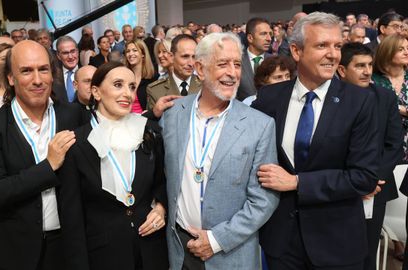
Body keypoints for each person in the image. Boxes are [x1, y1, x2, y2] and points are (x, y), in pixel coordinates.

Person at [252, 12, 379, 270]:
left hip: (337, 245)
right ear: (296, 51)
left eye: (337, 46)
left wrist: (297, 182)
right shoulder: (269, 98)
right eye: (322, 45)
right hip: (281, 244)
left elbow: (363, 176)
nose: (333, 54)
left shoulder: (360, 102)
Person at [161, 32, 279, 270]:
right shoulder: (173, 115)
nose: (233, 73)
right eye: (222, 64)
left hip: (230, 254)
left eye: (236, 64)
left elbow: (264, 200)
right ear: (200, 69)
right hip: (179, 251)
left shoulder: (260, 125)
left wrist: (215, 240)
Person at [0, 40, 81, 270]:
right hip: (18, 252)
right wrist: (48, 166)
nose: (38, 80)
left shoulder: (73, 115)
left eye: (43, 69)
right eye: (26, 71)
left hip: (70, 247)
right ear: (11, 78)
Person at [59, 61, 169, 270]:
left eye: (131, 86)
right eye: (118, 85)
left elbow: (162, 183)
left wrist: (161, 208)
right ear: (96, 92)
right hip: (104, 256)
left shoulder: (149, 133)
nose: (127, 93)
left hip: (151, 251)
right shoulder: (77, 144)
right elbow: (72, 219)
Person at [337, 42, 403, 270]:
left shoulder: (384, 97)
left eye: (370, 65)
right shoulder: (330, 98)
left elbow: (394, 145)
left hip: (377, 185)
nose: (367, 71)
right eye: (360, 66)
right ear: (342, 70)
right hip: (337, 185)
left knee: (367, 250)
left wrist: (371, 180)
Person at [372, 34, 408, 162]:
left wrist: (392, 108)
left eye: (407, 48)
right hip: (383, 150)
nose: (406, 52)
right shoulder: (372, 80)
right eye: (401, 49)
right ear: (387, 52)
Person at [146, 34, 200, 110]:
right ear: (171, 57)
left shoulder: (206, 87)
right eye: (185, 56)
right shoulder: (155, 90)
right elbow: (152, 120)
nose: (191, 63)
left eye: (194, 57)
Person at [237, 17, 273, 101]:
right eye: (263, 34)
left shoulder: (275, 61)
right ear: (250, 38)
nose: (269, 39)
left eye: (270, 34)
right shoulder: (237, 61)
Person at [124, 39, 156, 113]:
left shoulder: (153, 78)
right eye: (128, 51)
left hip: (145, 120)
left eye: (135, 50)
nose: (131, 54)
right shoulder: (123, 76)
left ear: (143, 54)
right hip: (125, 119)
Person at [53, 35, 80, 103]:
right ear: (58, 56)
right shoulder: (53, 77)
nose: (70, 56)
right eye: (65, 53)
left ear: (77, 52)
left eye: (73, 51)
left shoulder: (89, 74)